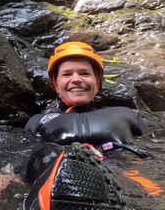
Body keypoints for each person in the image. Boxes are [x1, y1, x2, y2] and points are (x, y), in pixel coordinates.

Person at [22, 41, 151, 210]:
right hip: (64, 184)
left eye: (85, 73)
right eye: (66, 74)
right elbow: (24, 161)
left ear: (98, 81)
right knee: (47, 153)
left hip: (122, 178)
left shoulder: (127, 115)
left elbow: (153, 152)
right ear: (55, 83)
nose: (76, 79)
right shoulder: (38, 121)